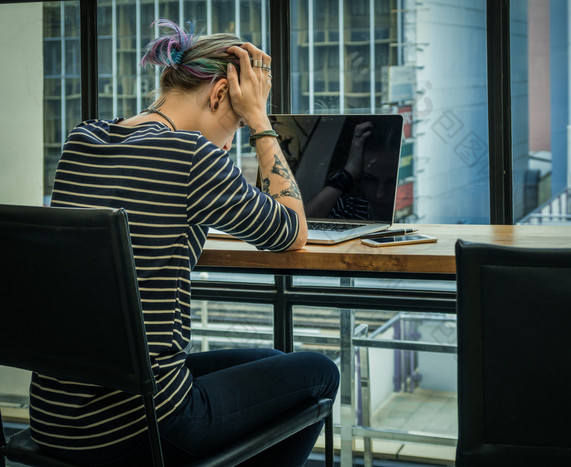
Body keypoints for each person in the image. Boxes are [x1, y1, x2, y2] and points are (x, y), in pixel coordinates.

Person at [29, 19, 339, 467]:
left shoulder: (83, 140)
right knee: (319, 374)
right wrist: (259, 119)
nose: (229, 141)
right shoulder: (191, 154)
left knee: (270, 360)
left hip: (56, 416)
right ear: (218, 95)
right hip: (139, 423)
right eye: (232, 125)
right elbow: (292, 231)